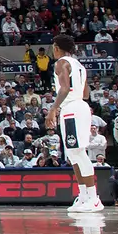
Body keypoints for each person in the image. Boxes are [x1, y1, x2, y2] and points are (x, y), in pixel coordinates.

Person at [46, 32, 102, 213]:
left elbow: (63, 88)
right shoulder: (79, 65)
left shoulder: (61, 63)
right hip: (80, 105)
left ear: (56, 48)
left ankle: (93, 198)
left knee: (78, 153)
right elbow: (86, 94)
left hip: (71, 109)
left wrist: (53, 109)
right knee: (73, 154)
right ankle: (84, 195)